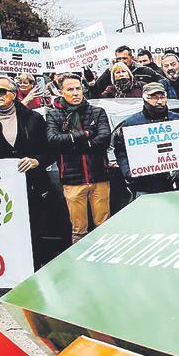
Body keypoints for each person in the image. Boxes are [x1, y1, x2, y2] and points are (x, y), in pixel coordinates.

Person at [0, 75, 58, 268]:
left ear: (13, 94)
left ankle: (35, 267)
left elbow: (50, 150)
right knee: (6, 229)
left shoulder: (33, 118)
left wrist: (37, 161)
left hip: (33, 185)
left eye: (2, 91)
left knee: (33, 227)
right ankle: (12, 269)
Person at [44, 73, 112, 243]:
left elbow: (103, 139)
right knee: (79, 231)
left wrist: (73, 141)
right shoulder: (54, 114)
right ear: (61, 92)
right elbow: (53, 140)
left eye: (78, 88)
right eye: (70, 89)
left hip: (99, 176)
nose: (75, 93)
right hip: (73, 180)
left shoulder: (97, 112)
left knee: (104, 226)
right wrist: (85, 135)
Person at [112, 83, 179, 199]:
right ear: (145, 98)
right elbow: (121, 151)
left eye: (162, 97)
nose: (159, 101)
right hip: (146, 186)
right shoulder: (131, 124)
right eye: (154, 97)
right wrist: (128, 172)